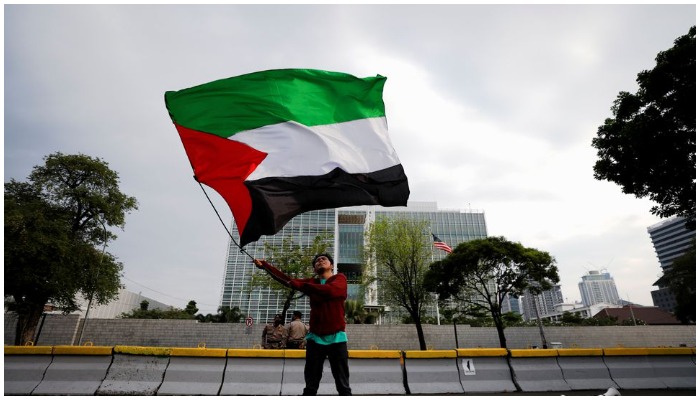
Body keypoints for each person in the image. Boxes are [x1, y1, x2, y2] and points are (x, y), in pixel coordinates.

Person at [254, 253, 351, 396]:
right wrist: (266, 267)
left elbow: (331, 291)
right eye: (317, 261)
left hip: (337, 338)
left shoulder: (340, 279)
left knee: (343, 385)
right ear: (314, 269)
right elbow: (288, 280)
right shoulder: (312, 283)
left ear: (331, 265)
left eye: (324, 259)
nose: (320, 261)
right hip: (315, 339)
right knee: (310, 386)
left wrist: (303, 286)